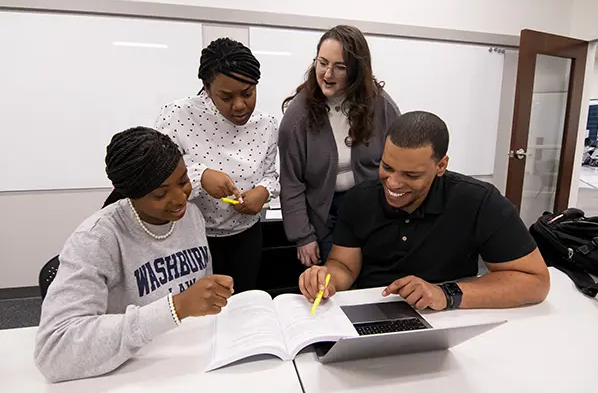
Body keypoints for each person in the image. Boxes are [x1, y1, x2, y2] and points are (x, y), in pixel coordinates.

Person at [34, 127, 234, 383]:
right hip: (130, 374)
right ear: (131, 194)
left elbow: (198, 304)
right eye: (160, 194)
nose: (179, 198)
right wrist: (177, 306)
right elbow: (54, 353)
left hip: (190, 362)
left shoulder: (191, 216)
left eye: (184, 181)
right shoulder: (96, 239)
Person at [299, 111, 550, 310]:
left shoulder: (478, 201)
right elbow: (344, 266)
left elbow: (535, 281)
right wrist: (326, 278)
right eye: (387, 166)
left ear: (441, 165)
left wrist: (445, 294)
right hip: (373, 311)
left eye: (411, 175)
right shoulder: (360, 199)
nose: (394, 183)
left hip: (450, 315)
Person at [155, 38, 279, 292]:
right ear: (207, 88)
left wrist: (263, 191)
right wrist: (201, 176)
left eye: (248, 93)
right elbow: (158, 173)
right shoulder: (177, 116)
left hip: (246, 237)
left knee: (242, 303)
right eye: (226, 96)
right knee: (200, 311)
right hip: (191, 238)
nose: (240, 106)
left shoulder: (266, 124)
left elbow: (271, 174)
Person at [279, 25, 400, 267]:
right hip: (324, 215)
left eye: (340, 67)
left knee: (373, 281)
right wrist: (303, 237)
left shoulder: (381, 106)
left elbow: (400, 162)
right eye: (322, 63)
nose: (327, 74)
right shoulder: (297, 115)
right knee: (331, 286)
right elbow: (291, 183)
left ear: (357, 70)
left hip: (373, 211)